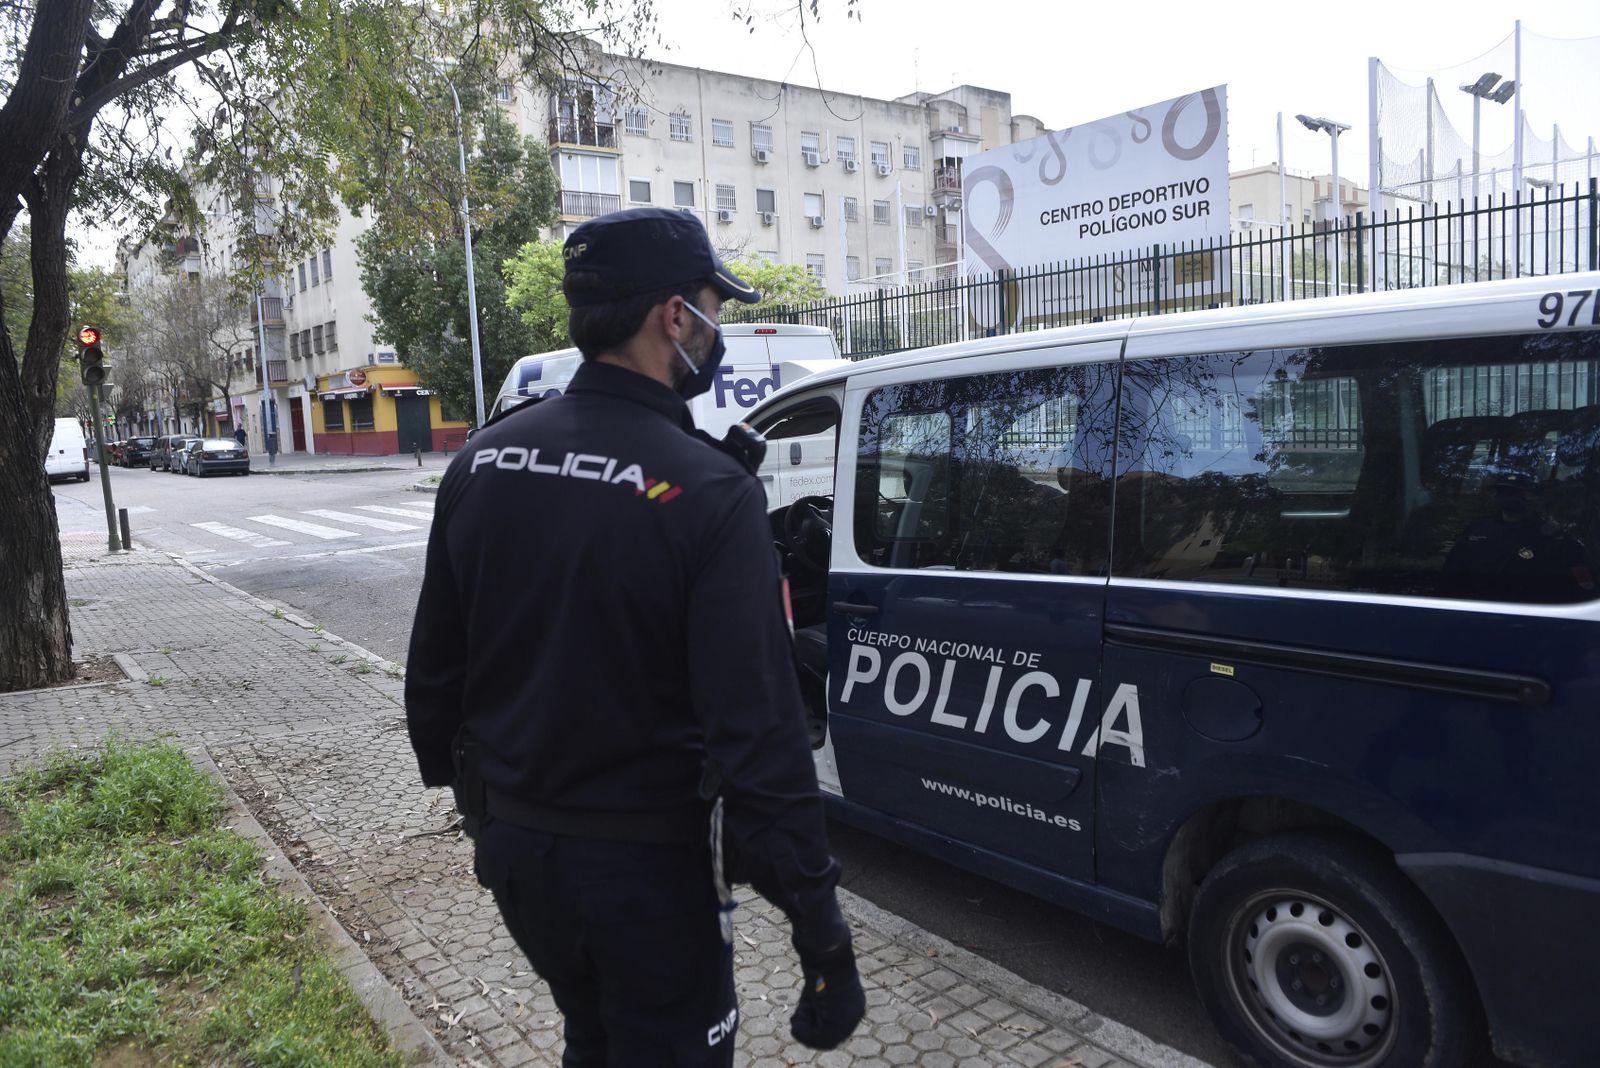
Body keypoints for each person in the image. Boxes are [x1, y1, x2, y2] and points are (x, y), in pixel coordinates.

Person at [405, 206, 864, 1065]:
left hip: (520, 858)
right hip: (646, 876)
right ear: (674, 317)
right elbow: (761, 735)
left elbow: (433, 677)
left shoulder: (482, 462)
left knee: (594, 1035)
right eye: (714, 308)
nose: (718, 328)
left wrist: (480, 813)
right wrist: (820, 929)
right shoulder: (707, 493)